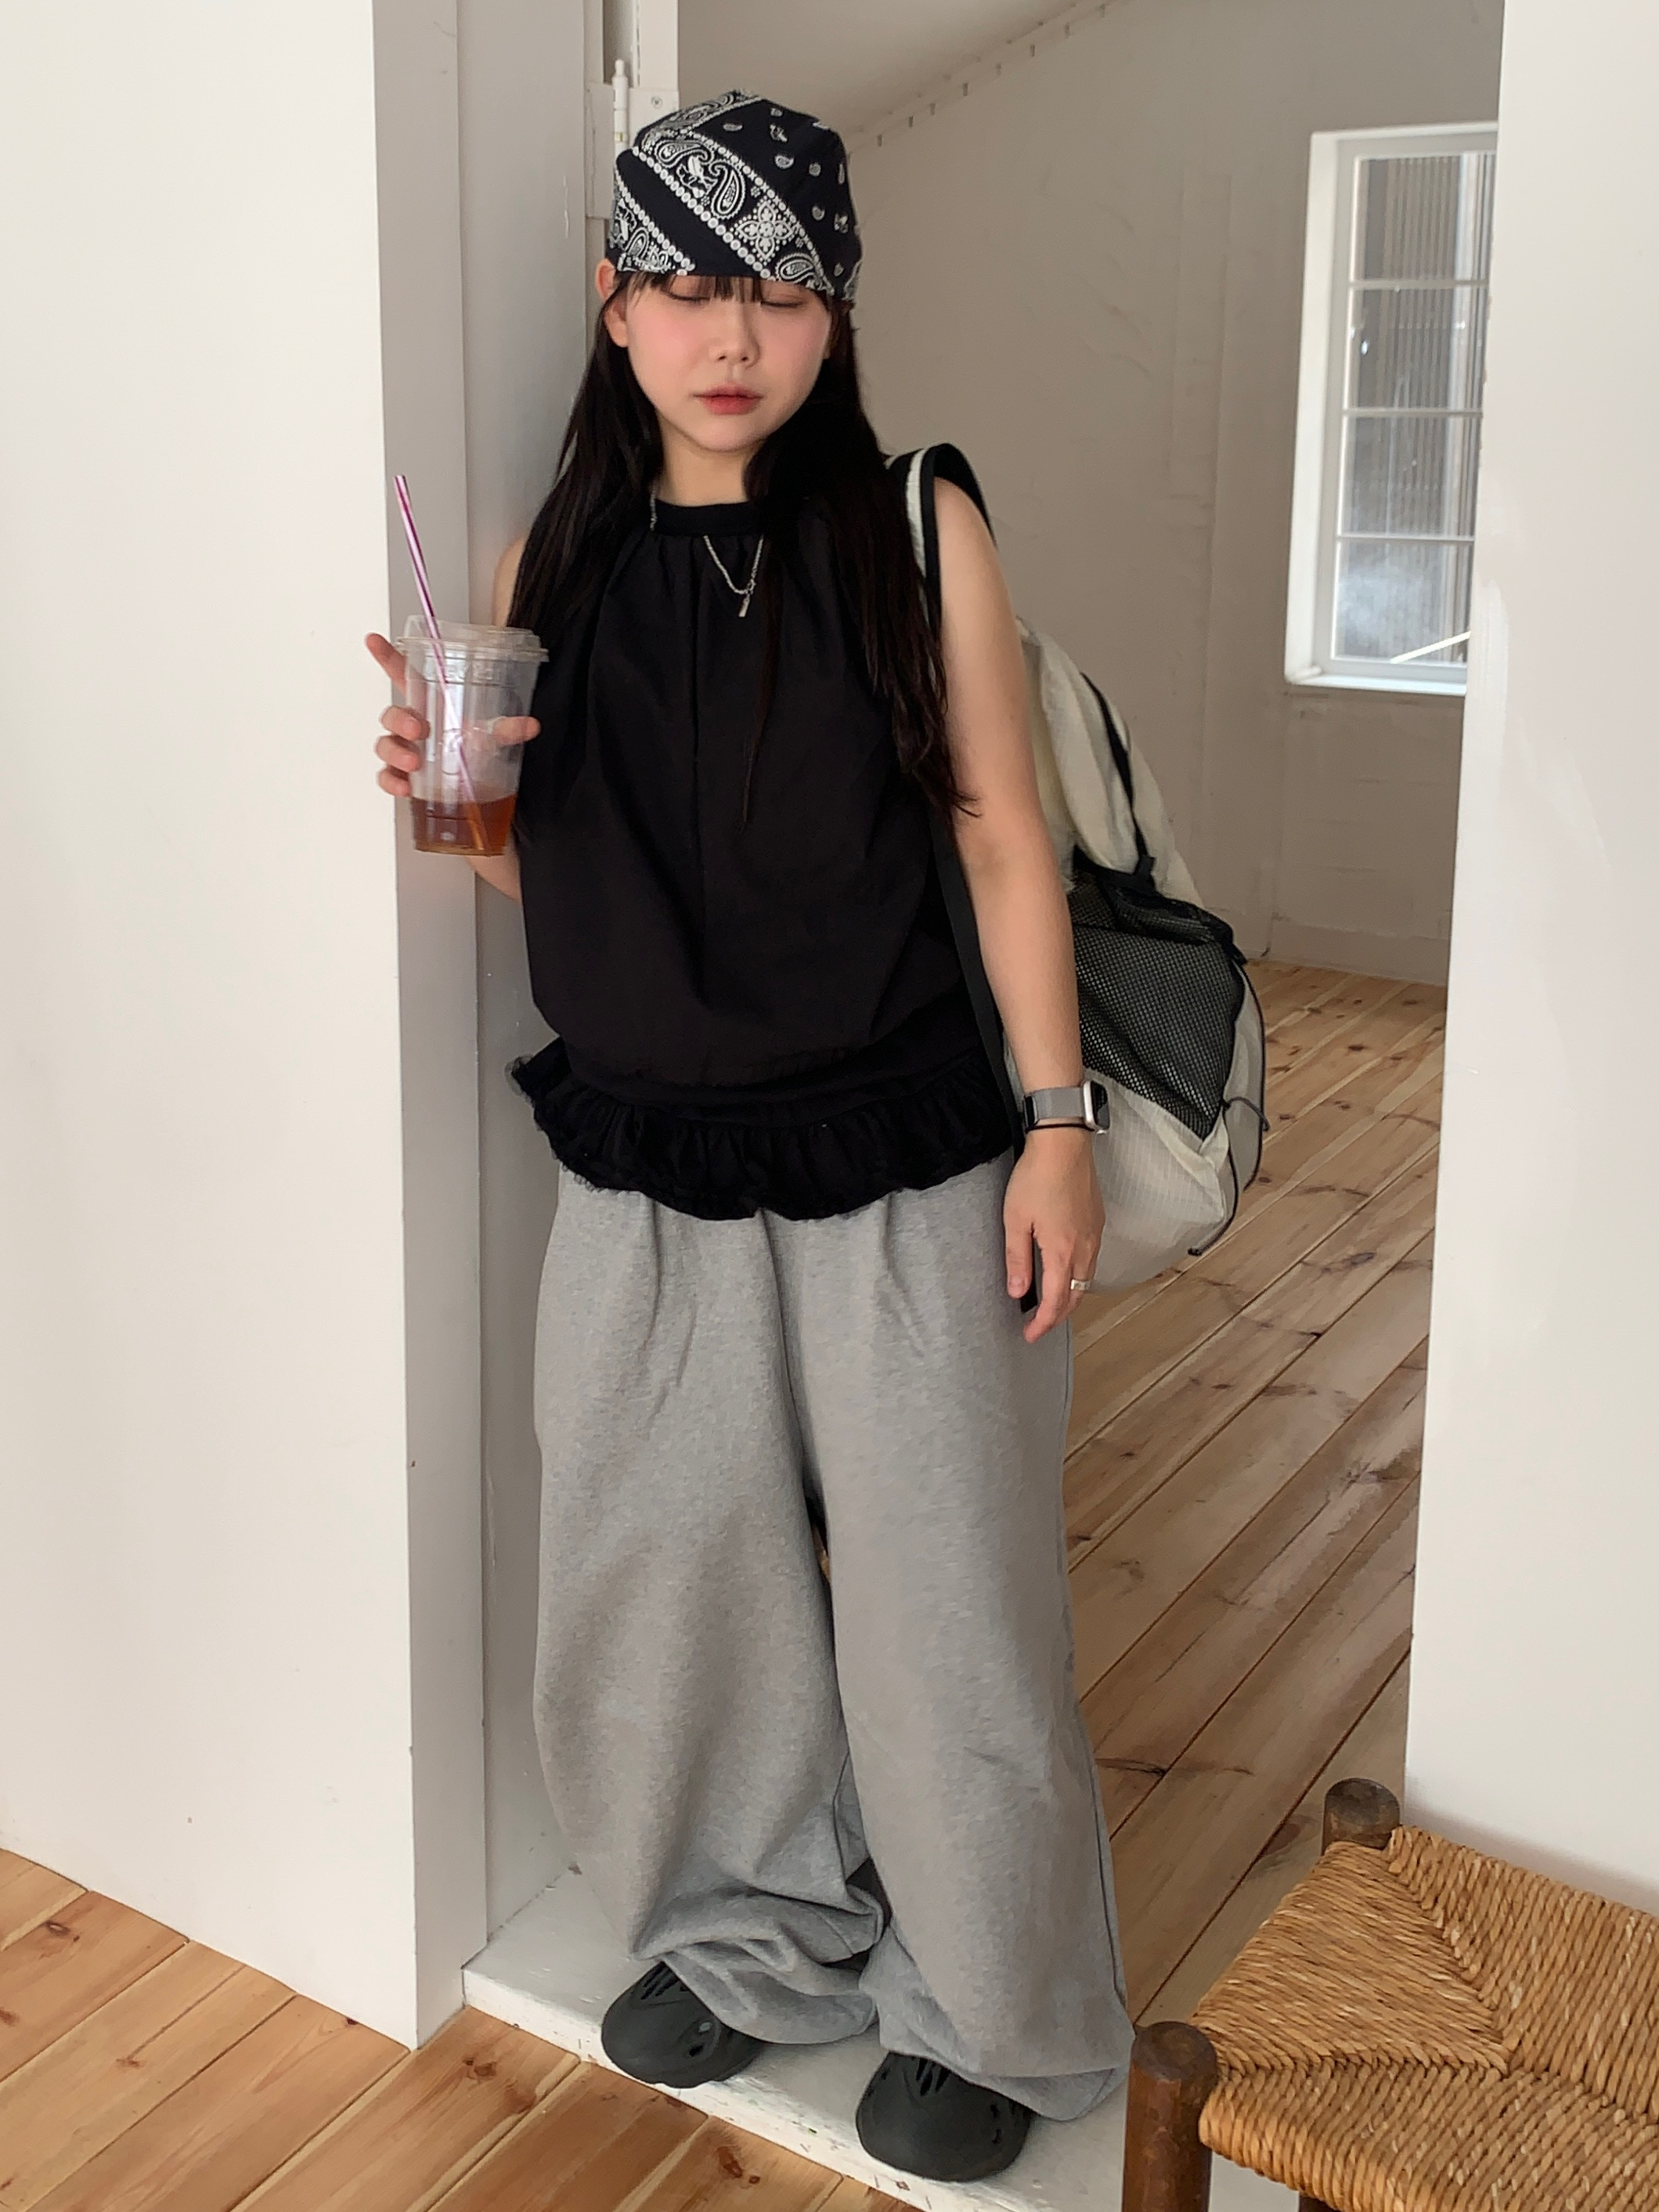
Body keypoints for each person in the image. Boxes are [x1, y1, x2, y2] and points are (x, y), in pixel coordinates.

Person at [367, 88, 1132, 2186]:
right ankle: (747, 1932)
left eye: (781, 288)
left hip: (908, 1152)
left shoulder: (914, 527)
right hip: (646, 1165)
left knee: (944, 1592)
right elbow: (559, 876)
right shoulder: (549, 563)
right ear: (616, 304)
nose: (734, 332)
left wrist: (1056, 1126)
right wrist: (446, 794)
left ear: (835, 313)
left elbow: (1003, 838)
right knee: (668, 1577)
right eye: (689, 282)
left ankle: (992, 2005)